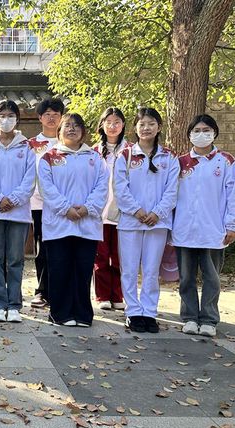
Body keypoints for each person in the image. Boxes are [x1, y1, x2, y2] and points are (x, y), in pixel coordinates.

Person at [173, 114, 235, 337]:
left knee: (212, 278)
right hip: (185, 230)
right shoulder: (181, 163)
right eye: (196, 130)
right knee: (186, 278)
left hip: (213, 230)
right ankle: (189, 317)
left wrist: (234, 224)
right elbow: (171, 195)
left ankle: (208, 319)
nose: (201, 134)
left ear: (214, 132)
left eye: (206, 130)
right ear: (189, 135)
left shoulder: (225, 161)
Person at [38, 113, 108, 327]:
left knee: (83, 269)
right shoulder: (48, 157)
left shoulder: (95, 158)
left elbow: (102, 186)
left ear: (83, 131)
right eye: (67, 125)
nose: (72, 129)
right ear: (59, 131)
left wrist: (87, 208)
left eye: (77, 126)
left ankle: (82, 314)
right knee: (60, 269)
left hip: (87, 224)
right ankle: (60, 313)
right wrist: (65, 209)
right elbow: (46, 188)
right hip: (59, 224)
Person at [114, 108, 179, 333]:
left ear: (159, 127)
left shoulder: (169, 157)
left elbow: (172, 190)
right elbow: (120, 188)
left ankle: (149, 312)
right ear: (135, 128)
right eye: (142, 124)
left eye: (151, 124)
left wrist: (157, 213)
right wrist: (137, 211)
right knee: (129, 269)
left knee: (151, 270)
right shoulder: (125, 156)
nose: (146, 128)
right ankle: (133, 311)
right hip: (131, 222)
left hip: (157, 223)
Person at [0, 99, 37, 323]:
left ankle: (14, 305)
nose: (6, 120)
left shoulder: (26, 147)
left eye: (11, 116)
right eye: (2, 116)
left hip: (18, 213)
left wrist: (12, 200)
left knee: (15, 259)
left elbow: (29, 180)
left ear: (17, 119)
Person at [28, 98, 64, 308]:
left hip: (64, 205)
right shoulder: (31, 144)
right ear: (40, 117)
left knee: (60, 246)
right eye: (47, 114)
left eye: (56, 114)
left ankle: (58, 290)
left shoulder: (67, 143)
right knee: (42, 246)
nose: (51, 118)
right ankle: (41, 291)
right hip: (38, 204)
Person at [92, 107, 128, 311]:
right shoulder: (93, 151)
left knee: (121, 256)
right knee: (101, 257)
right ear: (102, 125)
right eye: (109, 122)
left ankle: (118, 294)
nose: (113, 126)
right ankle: (102, 295)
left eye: (117, 122)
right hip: (100, 212)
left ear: (123, 126)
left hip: (124, 212)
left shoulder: (131, 151)